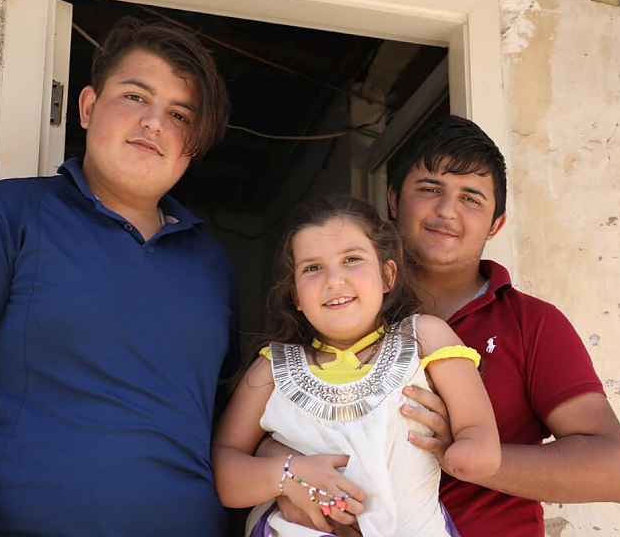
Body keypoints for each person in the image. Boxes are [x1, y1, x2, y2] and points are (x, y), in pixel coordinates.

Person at [0, 17, 236, 536]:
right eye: (136, 96)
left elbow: (237, 423)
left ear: (195, 145)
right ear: (88, 106)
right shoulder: (11, 215)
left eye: (179, 114)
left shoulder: (213, 265)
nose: (154, 122)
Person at [388, 115, 620, 536]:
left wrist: (473, 453)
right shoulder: (347, 311)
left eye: (471, 198)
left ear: (496, 225)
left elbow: (616, 471)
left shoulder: (531, 323)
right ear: (395, 199)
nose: (447, 211)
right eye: (430, 189)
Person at [212, 194, 501, 536]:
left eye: (351, 259)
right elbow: (225, 469)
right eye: (312, 268)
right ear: (295, 296)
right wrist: (289, 475)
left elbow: (478, 432)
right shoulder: (271, 370)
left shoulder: (424, 337)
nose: (334, 280)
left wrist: (465, 453)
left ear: (387, 276)